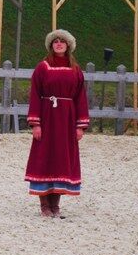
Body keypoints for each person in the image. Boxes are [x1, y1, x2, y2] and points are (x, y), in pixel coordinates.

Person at [24, 29, 90, 218]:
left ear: (68, 45)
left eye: (62, 41)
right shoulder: (43, 67)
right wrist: (36, 123)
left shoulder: (75, 70)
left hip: (67, 120)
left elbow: (80, 99)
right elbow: (35, 95)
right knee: (45, 156)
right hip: (47, 117)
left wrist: (80, 126)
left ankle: (56, 205)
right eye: (56, 41)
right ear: (51, 45)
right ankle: (44, 205)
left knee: (62, 157)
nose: (59, 44)